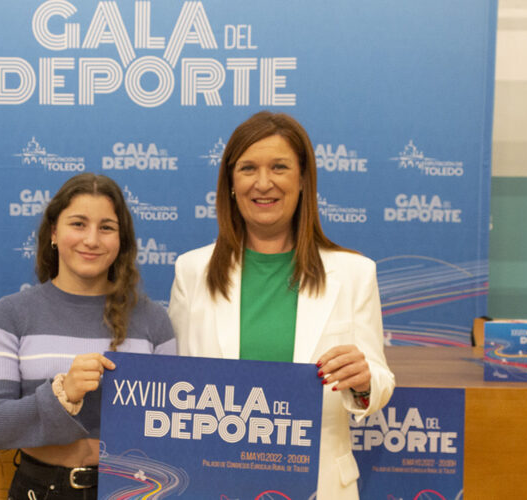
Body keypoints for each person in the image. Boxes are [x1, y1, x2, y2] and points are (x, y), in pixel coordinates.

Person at [168, 111, 394, 499]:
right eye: (248, 168)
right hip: (215, 483)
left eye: (279, 167)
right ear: (230, 183)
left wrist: (362, 381)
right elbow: (173, 385)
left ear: (303, 179)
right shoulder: (192, 271)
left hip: (320, 484)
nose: (263, 183)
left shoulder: (355, 272)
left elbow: (379, 382)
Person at [0, 173, 176, 499]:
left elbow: (173, 429)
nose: (92, 240)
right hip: (41, 489)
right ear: (54, 232)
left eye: (106, 227)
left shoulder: (154, 321)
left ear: (121, 239)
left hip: (134, 489)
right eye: (78, 224)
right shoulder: (10, 314)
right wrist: (62, 394)